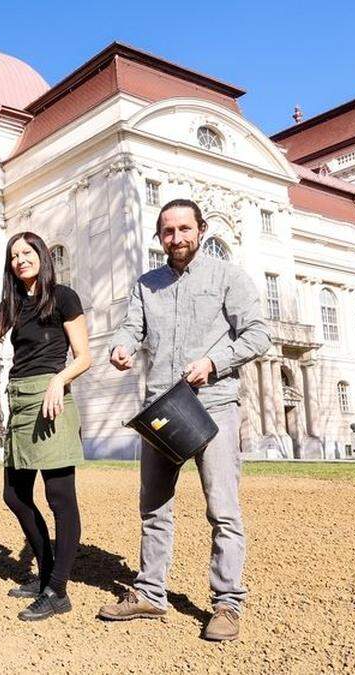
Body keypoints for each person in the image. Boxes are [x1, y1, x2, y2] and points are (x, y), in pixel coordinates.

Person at [97, 199, 271, 642]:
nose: (177, 238)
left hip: (213, 405)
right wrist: (121, 348)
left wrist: (214, 361)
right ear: (159, 237)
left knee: (223, 510)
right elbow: (130, 330)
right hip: (161, 408)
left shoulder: (228, 277)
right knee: (153, 505)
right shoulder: (146, 285)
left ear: (201, 229)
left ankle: (227, 603)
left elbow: (257, 335)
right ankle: (151, 593)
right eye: (168, 231)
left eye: (184, 229)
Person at [0, 231, 91, 621]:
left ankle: (58, 590)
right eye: (14, 255)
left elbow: (84, 356)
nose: (20, 260)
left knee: (59, 498)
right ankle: (46, 571)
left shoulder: (63, 297)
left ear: (41, 256)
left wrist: (58, 379)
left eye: (27, 252)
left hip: (51, 399)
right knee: (14, 495)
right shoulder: (13, 304)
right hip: (18, 399)